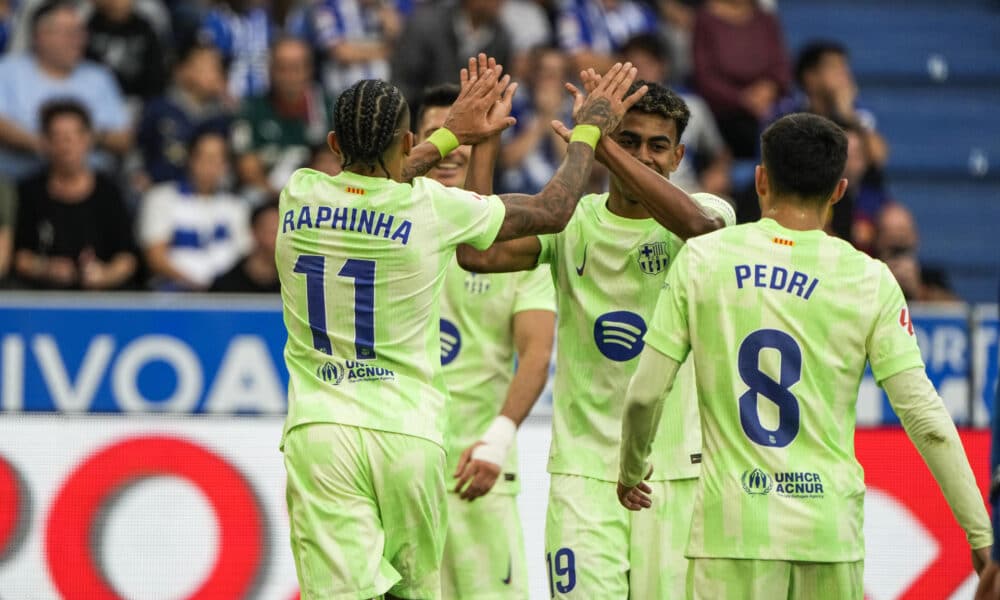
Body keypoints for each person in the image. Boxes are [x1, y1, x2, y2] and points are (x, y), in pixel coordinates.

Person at [277, 57, 645, 599]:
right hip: (411, 437)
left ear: (333, 142)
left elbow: (372, 181)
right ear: (405, 141)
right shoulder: (432, 208)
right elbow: (554, 209)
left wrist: (448, 136)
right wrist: (587, 129)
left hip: (321, 430)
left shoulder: (299, 194)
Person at [617, 113, 992, 598]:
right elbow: (927, 420)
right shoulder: (869, 279)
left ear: (761, 180)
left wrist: (630, 470)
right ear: (838, 191)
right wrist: (980, 532)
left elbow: (645, 394)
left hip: (731, 531)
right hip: (828, 534)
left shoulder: (704, 258)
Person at [458, 78, 735, 597]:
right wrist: (486, 143)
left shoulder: (707, 211)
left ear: (678, 157)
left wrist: (598, 140)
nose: (643, 156)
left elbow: (700, 232)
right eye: (628, 141)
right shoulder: (569, 221)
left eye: (657, 146)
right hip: (584, 473)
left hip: (675, 474)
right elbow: (477, 253)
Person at [413, 83, 557, 598]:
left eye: (465, 137)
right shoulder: (388, 231)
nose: (452, 151)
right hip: (402, 459)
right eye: (440, 136)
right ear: (415, 143)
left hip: (474, 465)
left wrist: (497, 441)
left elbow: (537, 354)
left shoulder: (510, 246)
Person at [0, 0, 132, 179]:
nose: (78, 40)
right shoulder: (8, 71)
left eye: (80, 32)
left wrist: (85, 140)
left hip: (91, 185)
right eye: (69, 33)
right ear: (40, 36)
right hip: (20, 179)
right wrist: (47, 146)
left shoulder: (99, 76)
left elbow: (123, 140)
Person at [13, 100, 137, 290]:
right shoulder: (28, 191)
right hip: (41, 297)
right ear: (45, 142)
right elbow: (19, 256)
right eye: (58, 137)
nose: (66, 145)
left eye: (73, 136)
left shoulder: (109, 191)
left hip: (102, 299)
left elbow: (126, 258)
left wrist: (105, 275)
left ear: (88, 139)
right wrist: (45, 268)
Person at [622, 32, 732, 196]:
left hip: (683, 192)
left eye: (646, 65)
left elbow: (720, 153)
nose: (639, 73)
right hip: (623, 193)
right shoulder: (614, 109)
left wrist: (717, 173)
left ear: (662, 66)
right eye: (631, 67)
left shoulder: (693, 105)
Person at [138, 130, 250, 290]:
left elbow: (244, 257)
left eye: (218, 160)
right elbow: (155, 256)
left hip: (226, 298)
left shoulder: (237, 207)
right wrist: (199, 286)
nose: (210, 166)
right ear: (191, 159)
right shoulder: (161, 198)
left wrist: (219, 289)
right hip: (173, 295)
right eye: (205, 158)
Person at [231, 37, 333, 198]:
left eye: (295, 68)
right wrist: (283, 202)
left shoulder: (329, 109)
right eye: (281, 68)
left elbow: (339, 167)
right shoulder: (250, 110)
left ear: (309, 70)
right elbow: (248, 169)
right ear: (270, 70)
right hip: (267, 201)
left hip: (318, 199)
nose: (289, 76)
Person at [692, 0, 790, 159]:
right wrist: (741, 99)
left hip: (767, 103)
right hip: (724, 112)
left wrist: (770, 88)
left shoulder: (765, 19)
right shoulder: (705, 20)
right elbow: (705, 76)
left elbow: (781, 65)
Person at [778, 39, 888, 168]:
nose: (844, 74)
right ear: (810, 77)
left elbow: (879, 156)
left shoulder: (855, 111)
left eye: (844, 67)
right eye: (834, 67)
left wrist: (847, 115)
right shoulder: (787, 111)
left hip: (852, 186)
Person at [136, 43, 232, 186]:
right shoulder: (159, 109)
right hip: (161, 189)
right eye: (208, 67)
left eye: (218, 67)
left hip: (209, 195)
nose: (216, 73)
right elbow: (138, 149)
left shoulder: (222, 117)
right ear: (183, 70)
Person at [389, 0, 513, 107]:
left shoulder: (501, 38)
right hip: (422, 122)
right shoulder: (425, 26)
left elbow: (497, 93)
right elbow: (403, 86)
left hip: (470, 126)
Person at [85, 0, 167, 102]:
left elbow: (156, 75)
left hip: (136, 100)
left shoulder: (143, 29)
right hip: (96, 97)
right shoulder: (91, 25)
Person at [211, 200, 280, 293]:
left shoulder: (297, 282)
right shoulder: (226, 285)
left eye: (283, 232)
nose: (279, 239)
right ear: (254, 232)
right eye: (272, 232)